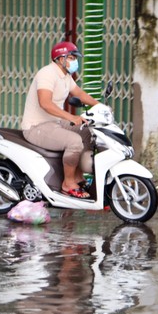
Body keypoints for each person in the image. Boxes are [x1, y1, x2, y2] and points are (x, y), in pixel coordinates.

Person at [22, 41, 100, 198]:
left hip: (54, 123)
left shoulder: (65, 76)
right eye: (71, 58)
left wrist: (100, 106)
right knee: (74, 141)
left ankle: (78, 177)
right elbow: (45, 103)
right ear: (60, 59)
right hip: (36, 127)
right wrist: (71, 117)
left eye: (74, 58)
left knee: (86, 132)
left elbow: (79, 93)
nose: (74, 61)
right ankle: (68, 183)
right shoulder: (47, 74)